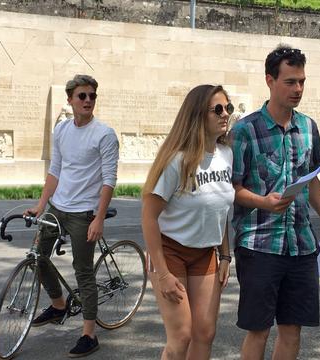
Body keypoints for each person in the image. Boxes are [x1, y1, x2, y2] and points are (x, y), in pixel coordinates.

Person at [229, 44, 320, 360]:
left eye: (302, 82)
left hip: (301, 244)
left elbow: (314, 181)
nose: (298, 89)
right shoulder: (244, 130)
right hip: (258, 244)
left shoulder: (308, 127)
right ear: (270, 80)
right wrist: (263, 202)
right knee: (259, 329)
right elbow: (232, 188)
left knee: (293, 330)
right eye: (290, 81)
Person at [25, 74, 119, 358]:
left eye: (92, 96)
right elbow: (55, 171)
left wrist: (99, 218)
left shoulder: (104, 134)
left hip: (84, 213)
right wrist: (41, 206)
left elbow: (109, 179)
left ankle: (89, 335)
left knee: (83, 271)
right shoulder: (62, 131)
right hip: (58, 207)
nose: (88, 100)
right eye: (82, 96)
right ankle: (58, 305)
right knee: (37, 258)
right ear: (70, 100)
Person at [141, 84, 235, 360]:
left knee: (205, 333)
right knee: (181, 337)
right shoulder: (177, 160)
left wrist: (226, 255)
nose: (225, 114)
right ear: (197, 115)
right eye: (217, 109)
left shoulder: (226, 155)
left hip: (206, 253)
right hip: (170, 252)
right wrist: (162, 273)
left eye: (228, 107)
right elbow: (148, 216)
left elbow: (220, 209)